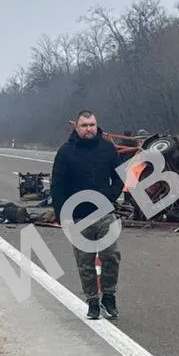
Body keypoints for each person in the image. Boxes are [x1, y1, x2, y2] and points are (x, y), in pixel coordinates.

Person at [51, 109, 124, 320]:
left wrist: (109, 196)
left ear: (96, 125)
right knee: (86, 262)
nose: (89, 129)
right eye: (84, 125)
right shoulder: (66, 152)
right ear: (77, 127)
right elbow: (57, 186)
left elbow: (119, 177)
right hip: (78, 217)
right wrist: (62, 216)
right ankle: (92, 301)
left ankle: (109, 297)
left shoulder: (107, 148)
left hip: (105, 214)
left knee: (111, 256)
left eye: (92, 125)